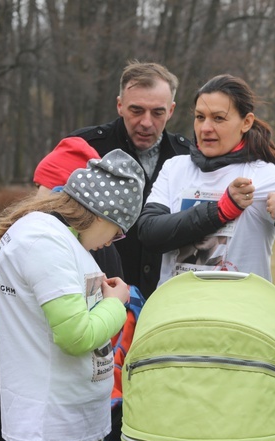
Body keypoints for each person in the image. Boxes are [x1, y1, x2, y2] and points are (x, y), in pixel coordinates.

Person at [0, 137, 124, 441]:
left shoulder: (93, 249)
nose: (39, 203)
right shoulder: (40, 238)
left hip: (57, 392)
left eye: (50, 192)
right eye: (39, 189)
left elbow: (88, 332)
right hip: (8, 373)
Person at [137, 74, 275, 284]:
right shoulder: (175, 168)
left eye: (218, 118)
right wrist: (219, 211)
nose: (205, 128)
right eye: (200, 117)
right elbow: (150, 233)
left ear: (246, 122)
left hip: (237, 313)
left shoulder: (264, 177)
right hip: (175, 309)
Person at [69, 60, 190, 298]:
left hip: (164, 299)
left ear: (172, 110)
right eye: (136, 110)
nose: (146, 122)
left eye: (158, 112)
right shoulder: (84, 148)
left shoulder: (187, 159)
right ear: (120, 105)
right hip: (93, 297)